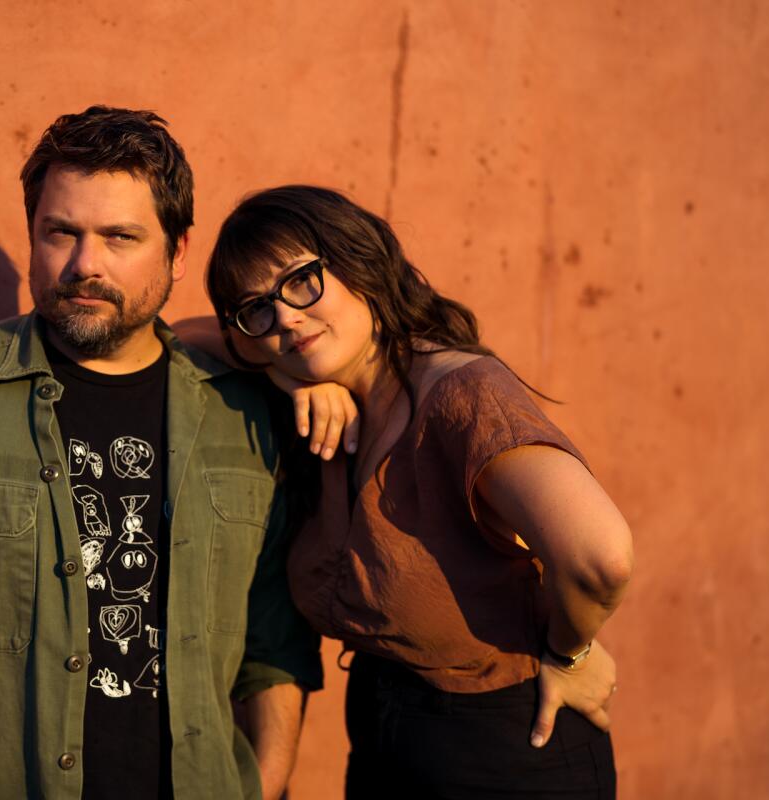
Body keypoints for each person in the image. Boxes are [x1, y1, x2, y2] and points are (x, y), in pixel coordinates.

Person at [0, 107, 323, 800]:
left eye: (120, 237)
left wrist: (267, 779)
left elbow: (274, 641)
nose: (85, 265)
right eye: (61, 233)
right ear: (32, 237)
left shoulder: (243, 411)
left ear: (179, 250)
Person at [203, 185, 634, 797]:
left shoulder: (461, 395)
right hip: (385, 738)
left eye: (301, 281)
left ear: (360, 262)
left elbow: (601, 557)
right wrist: (283, 371)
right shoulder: (334, 404)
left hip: (504, 752)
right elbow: (172, 338)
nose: (286, 318)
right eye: (258, 308)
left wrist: (572, 654)